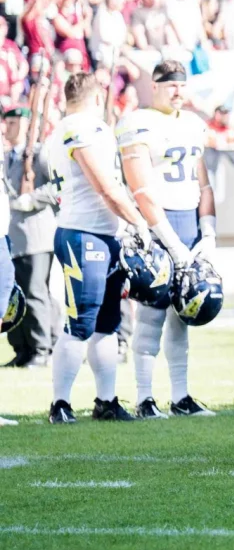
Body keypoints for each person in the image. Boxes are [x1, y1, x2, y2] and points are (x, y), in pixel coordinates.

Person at [47, 71, 151, 425]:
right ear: (96, 97)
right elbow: (105, 186)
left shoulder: (78, 127)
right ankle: (60, 403)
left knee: (108, 323)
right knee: (81, 322)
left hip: (103, 233)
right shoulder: (80, 127)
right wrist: (138, 221)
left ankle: (106, 400)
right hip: (83, 233)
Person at [115, 60, 217, 418]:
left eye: (181, 84)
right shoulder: (137, 122)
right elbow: (141, 189)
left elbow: (204, 184)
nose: (177, 91)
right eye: (170, 84)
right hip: (156, 226)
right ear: (154, 86)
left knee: (182, 315)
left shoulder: (192, 123)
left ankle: (181, 396)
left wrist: (208, 230)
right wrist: (170, 243)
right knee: (150, 316)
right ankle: (144, 398)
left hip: (189, 222)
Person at [5, 105, 58, 369]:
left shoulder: (41, 154)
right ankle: (22, 349)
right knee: (14, 295)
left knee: (35, 293)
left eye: (13, 123)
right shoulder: (8, 157)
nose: (7, 127)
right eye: (7, 122)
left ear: (28, 126)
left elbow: (59, 185)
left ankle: (41, 348)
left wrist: (33, 198)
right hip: (13, 237)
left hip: (37, 236)